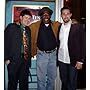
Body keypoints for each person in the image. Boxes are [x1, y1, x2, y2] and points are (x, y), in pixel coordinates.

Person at [29, 7, 60, 90]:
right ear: (41, 16)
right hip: (41, 55)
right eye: (43, 14)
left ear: (50, 16)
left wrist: (74, 22)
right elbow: (25, 28)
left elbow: (66, 25)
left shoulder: (56, 25)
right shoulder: (34, 26)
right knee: (41, 79)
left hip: (53, 55)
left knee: (52, 78)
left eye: (47, 14)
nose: (46, 16)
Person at [57, 7, 85, 90]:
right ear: (61, 15)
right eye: (63, 14)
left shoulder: (77, 27)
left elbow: (83, 44)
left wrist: (81, 61)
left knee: (72, 83)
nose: (65, 16)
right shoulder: (59, 27)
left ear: (71, 15)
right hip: (61, 59)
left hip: (73, 60)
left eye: (67, 13)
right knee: (64, 82)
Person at [4, 9, 32, 90]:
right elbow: (4, 42)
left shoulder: (28, 30)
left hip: (25, 61)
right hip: (13, 61)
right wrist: (6, 58)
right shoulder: (11, 27)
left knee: (24, 84)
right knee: (13, 83)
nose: (28, 20)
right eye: (26, 18)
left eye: (29, 18)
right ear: (20, 17)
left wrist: (28, 61)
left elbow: (28, 45)